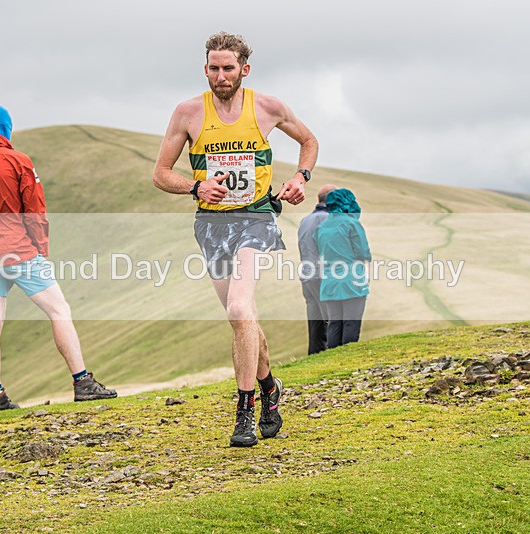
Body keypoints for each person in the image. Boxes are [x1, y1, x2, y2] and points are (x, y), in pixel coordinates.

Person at [153, 32, 318, 447]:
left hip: (256, 217)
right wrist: (196, 186)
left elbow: (308, 140)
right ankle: (270, 388)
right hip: (212, 225)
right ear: (205, 69)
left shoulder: (267, 107)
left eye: (228, 68)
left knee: (239, 307)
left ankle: (245, 411)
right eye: (214, 68)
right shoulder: (188, 113)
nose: (221, 76)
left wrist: (300, 177)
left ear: (245, 69)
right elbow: (161, 174)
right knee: (242, 318)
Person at [0, 104, 116, 412]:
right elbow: (35, 210)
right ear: (6, 128)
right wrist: (40, 248)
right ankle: (82, 382)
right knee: (59, 311)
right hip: (19, 250)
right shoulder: (19, 161)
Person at [313, 188, 371, 349]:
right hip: (352, 280)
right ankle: (349, 357)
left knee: (334, 324)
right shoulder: (352, 224)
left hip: (329, 282)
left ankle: (333, 357)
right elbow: (363, 253)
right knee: (351, 322)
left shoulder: (321, 228)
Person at [298, 184, 338, 355]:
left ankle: (315, 357)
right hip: (323, 275)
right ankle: (335, 356)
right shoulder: (329, 219)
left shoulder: (305, 220)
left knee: (316, 323)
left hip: (307, 277)